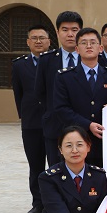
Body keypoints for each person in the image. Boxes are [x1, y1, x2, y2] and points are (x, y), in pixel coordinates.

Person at [53, 28, 107, 167]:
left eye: (93, 42)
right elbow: (61, 109)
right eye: (84, 43)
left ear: (100, 48)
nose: (89, 46)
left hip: (103, 141)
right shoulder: (64, 77)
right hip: (76, 139)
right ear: (77, 49)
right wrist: (88, 125)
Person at [35, 11, 83, 165]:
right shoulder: (46, 60)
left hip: (84, 126)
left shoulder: (91, 59)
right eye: (65, 30)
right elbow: (40, 92)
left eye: (74, 30)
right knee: (56, 172)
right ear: (57, 32)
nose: (70, 34)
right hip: (54, 126)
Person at [12, 24, 50, 213]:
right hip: (31, 123)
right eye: (34, 38)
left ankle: (54, 203)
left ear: (49, 41)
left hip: (52, 121)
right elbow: (18, 94)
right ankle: (38, 203)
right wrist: (25, 116)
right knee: (35, 166)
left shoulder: (55, 62)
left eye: (41, 38)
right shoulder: (19, 65)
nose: (38, 41)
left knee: (55, 165)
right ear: (28, 42)